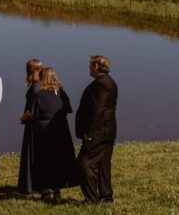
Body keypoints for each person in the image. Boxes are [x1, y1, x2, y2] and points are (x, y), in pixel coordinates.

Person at [30, 67, 78, 203]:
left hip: (44, 130)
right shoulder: (61, 93)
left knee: (43, 160)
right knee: (58, 159)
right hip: (61, 130)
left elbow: (33, 113)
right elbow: (68, 109)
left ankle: (45, 190)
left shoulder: (38, 95)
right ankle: (57, 190)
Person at [76, 55, 118, 204]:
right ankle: (106, 197)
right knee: (103, 164)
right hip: (107, 131)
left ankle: (91, 199)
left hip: (99, 133)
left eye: (90, 65)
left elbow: (98, 110)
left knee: (84, 163)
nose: (89, 68)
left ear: (96, 67)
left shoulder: (101, 84)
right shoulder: (108, 82)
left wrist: (90, 134)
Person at [16, 58, 44, 195]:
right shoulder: (42, 85)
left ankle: (29, 185)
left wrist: (22, 119)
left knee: (30, 153)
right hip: (38, 125)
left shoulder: (35, 87)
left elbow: (30, 111)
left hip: (32, 125)